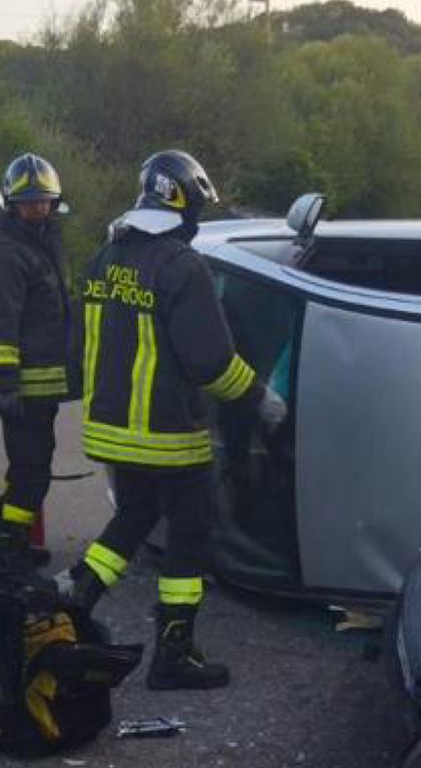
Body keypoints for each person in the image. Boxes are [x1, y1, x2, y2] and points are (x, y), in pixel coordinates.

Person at [61, 150, 286, 689]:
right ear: (182, 206)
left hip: (111, 431)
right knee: (190, 536)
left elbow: (80, 348)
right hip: (167, 438)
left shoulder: (104, 259)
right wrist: (261, 400)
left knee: (134, 517)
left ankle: (75, 599)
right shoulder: (182, 267)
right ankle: (174, 655)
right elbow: (210, 363)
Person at [0, 153, 76, 584]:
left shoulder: (45, 244)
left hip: (47, 382)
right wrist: (6, 383)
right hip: (24, 386)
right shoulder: (6, 254)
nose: (38, 208)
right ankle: (11, 557)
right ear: (11, 204)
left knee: (27, 467)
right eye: (29, 201)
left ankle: (1, 537)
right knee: (32, 472)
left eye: (44, 201)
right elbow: (2, 324)